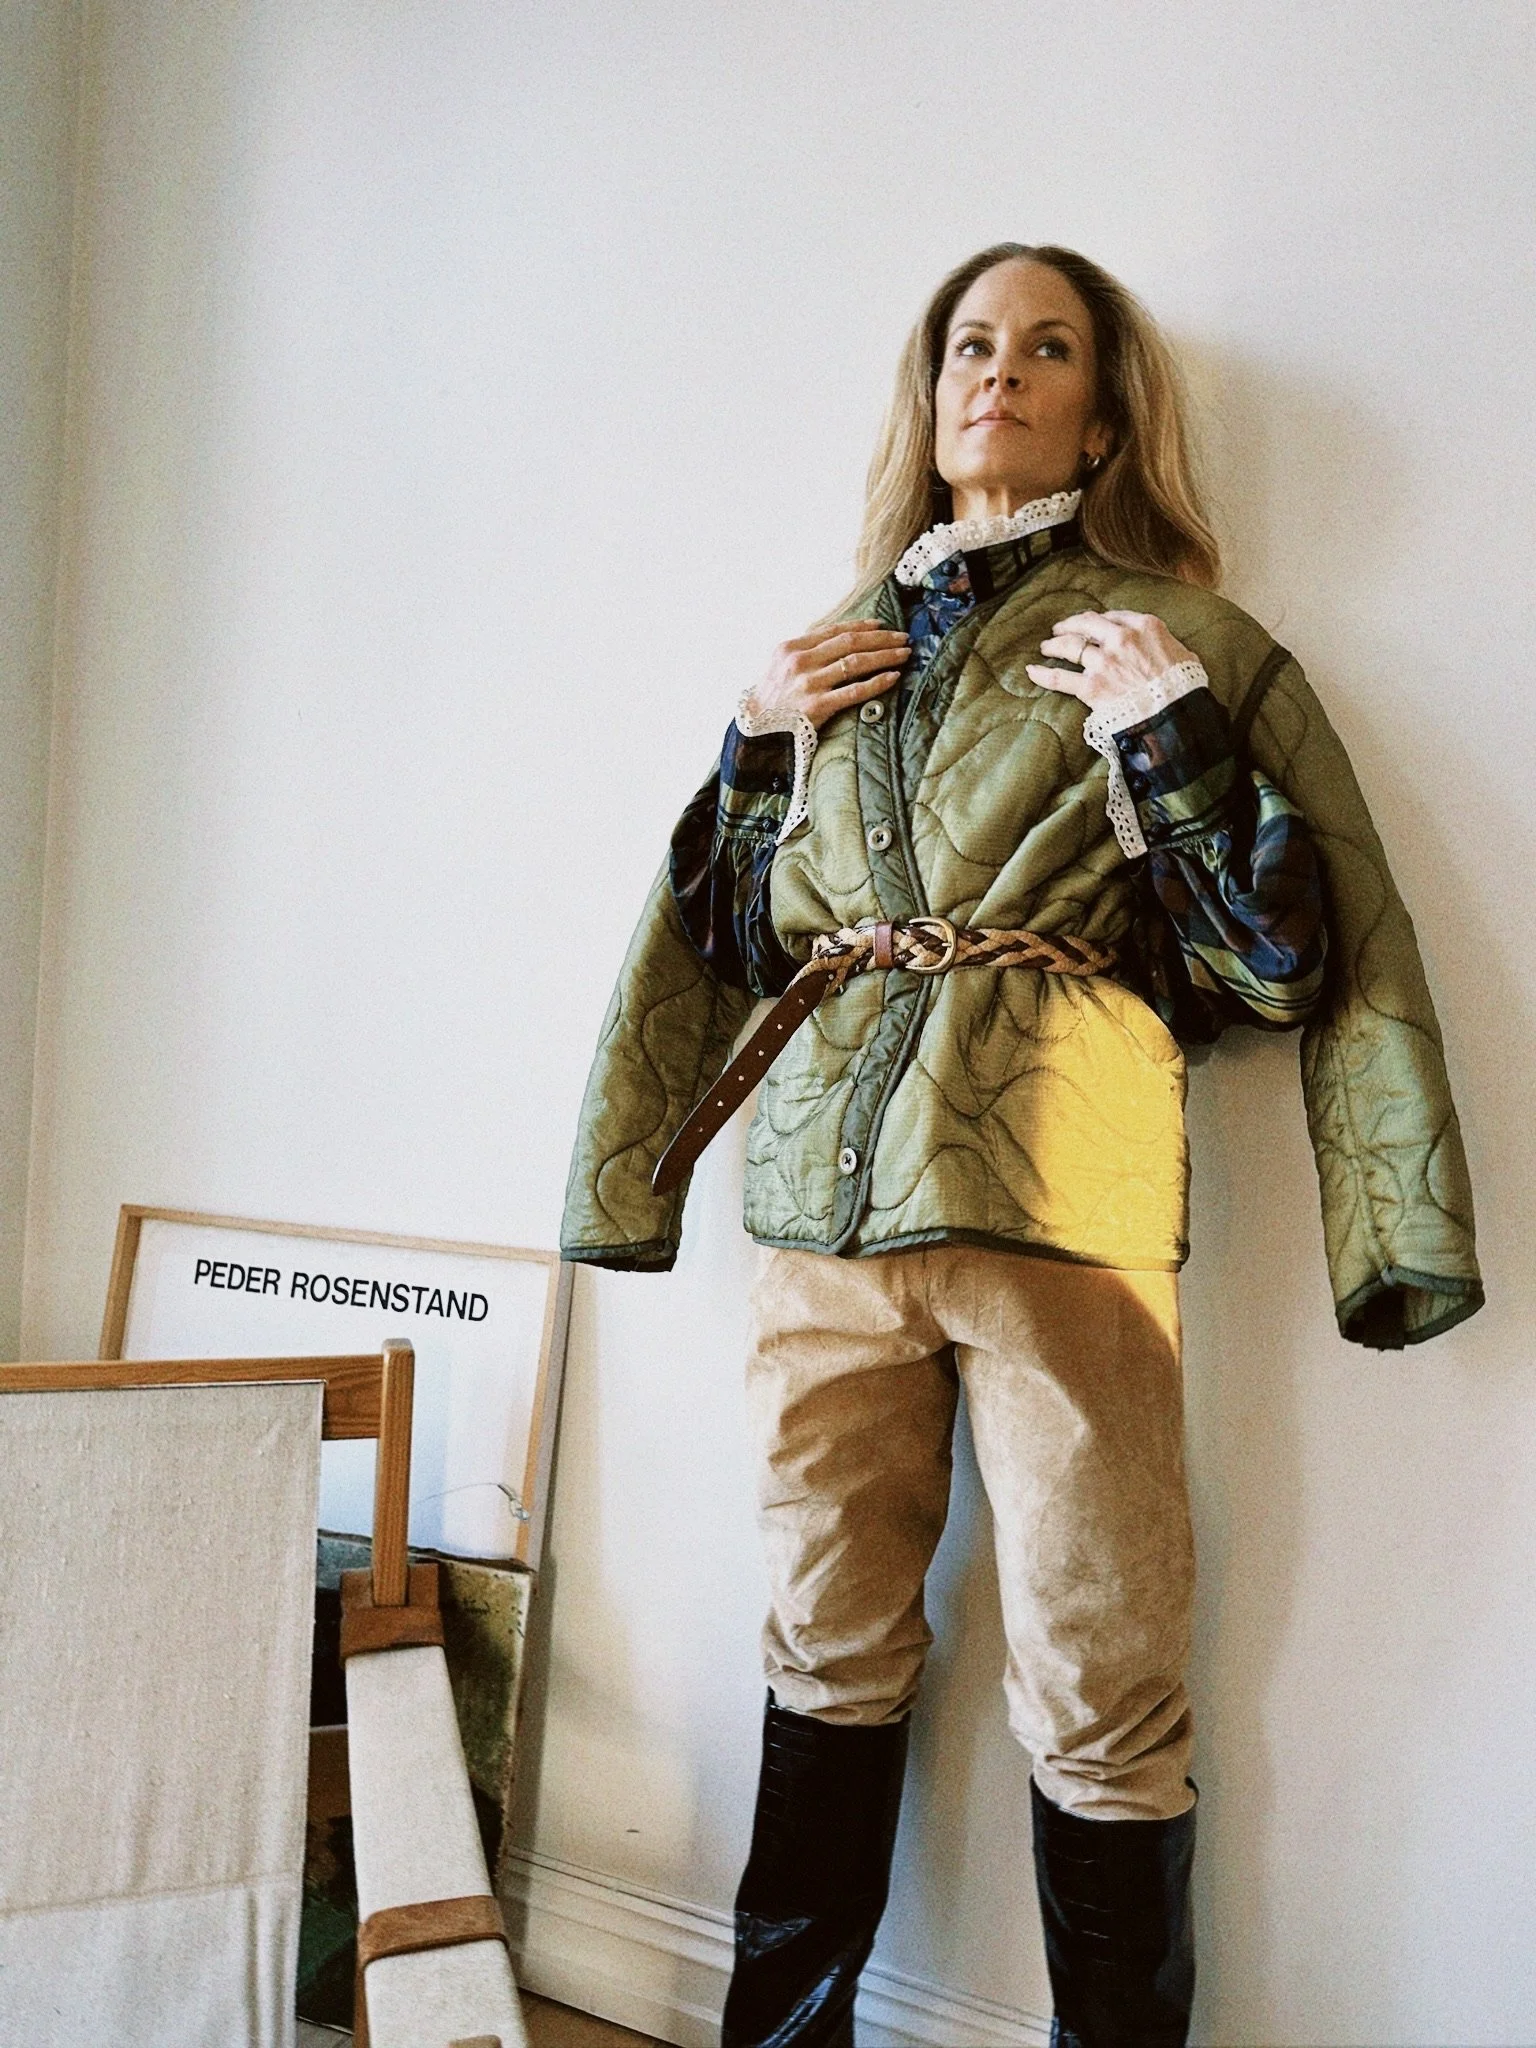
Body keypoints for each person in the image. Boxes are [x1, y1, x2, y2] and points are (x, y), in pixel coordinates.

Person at [561, 243, 1482, 2047]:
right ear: (931, 396)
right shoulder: (831, 652)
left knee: (1103, 1674)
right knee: (820, 1644)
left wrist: (1176, 743)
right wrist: (751, 751)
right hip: (820, 1220)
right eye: (973, 345)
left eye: (1048, 348)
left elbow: (1286, 968)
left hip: (1065, 1211)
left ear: (1106, 411)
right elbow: (736, 950)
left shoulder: (1183, 646)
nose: (1002, 373)